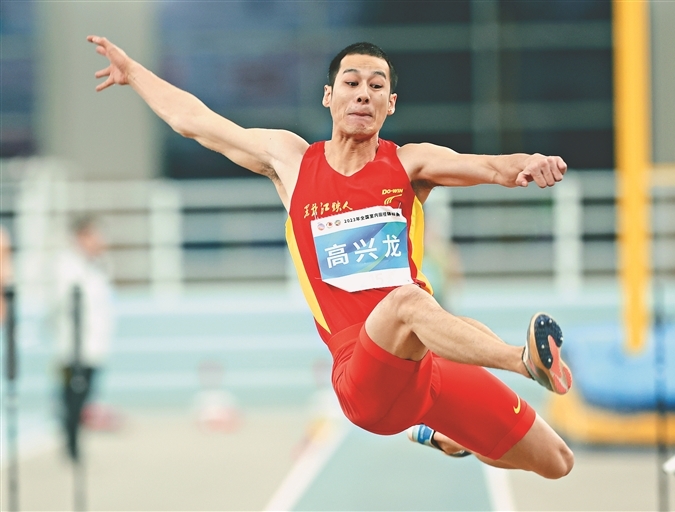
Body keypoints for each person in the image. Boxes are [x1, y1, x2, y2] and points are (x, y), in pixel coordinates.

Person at [87, 36, 574, 478]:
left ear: (390, 103)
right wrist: (134, 73)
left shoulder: (409, 163)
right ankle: (522, 360)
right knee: (409, 301)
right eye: (352, 82)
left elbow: (490, 166)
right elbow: (196, 122)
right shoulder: (293, 162)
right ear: (329, 95)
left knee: (556, 461)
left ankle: (446, 436)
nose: (364, 94)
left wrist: (529, 163)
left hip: (422, 369)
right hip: (361, 378)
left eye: (376, 86)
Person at [54, 214, 114, 460]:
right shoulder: (67, 265)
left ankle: (75, 442)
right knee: (72, 396)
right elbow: (66, 302)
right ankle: (70, 445)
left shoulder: (97, 265)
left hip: (94, 344)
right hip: (73, 346)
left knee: (85, 395)